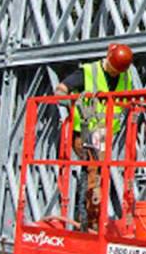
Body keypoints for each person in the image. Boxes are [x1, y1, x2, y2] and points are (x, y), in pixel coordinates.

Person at [55, 43, 134, 231]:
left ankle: (89, 221)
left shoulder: (125, 75)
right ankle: (90, 224)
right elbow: (62, 88)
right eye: (113, 70)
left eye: (118, 71)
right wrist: (65, 100)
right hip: (84, 132)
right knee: (93, 172)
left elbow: (127, 99)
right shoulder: (89, 72)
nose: (115, 74)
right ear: (107, 60)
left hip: (105, 135)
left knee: (98, 173)